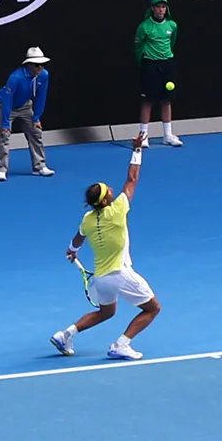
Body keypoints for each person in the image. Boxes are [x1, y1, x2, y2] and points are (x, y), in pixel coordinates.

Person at [53, 144, 161, 361]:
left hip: (102, 279)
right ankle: (121, 345)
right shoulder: (118, 209)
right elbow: (132, 179)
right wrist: (137, 150)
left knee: (106, 312)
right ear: (104, 201)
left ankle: (65, 335)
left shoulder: (88, 220)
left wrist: (72, 251)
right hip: (121, 274)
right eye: (108, 190)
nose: (112, 189)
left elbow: (78, 238)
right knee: (152, 309)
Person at [0, 48, 55, 182]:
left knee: (35, 132)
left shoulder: (44, 75)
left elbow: (41, 96)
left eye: (42, 64)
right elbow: (7, 99)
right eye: (36, 65)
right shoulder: (16, 78)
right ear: (29, 64)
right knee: (4, 135)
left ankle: (39, 167)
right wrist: (5, 123)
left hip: (25, 106)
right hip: (4, 105)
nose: (40, 67)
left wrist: (36, 117)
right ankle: (1, 170)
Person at [133, 0, 183, 146]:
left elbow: (172, 42)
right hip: (150, 65)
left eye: (163, 7)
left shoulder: (172, 25)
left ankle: (167, 135)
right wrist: (145, 62)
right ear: (152, 9)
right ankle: (144, 135)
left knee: (166, 100)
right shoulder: (144, 27)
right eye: (158, 7)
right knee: (148, 100)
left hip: (167, 64)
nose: (161, 10)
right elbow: (138, 47)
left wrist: (165, 57)